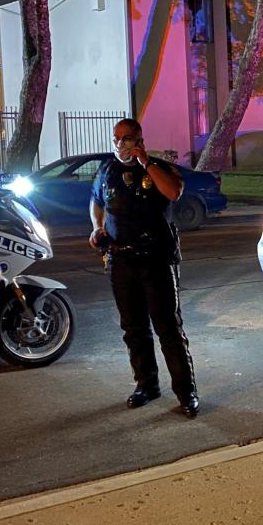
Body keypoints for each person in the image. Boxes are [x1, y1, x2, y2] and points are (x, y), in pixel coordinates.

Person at [89, 118, 200, 418]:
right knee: (133, 328)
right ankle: (146, 385)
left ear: (139, 138)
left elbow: (173, 192)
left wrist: (145, 161)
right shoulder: (106, 170)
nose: (121, 143)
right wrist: (97, 227)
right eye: (117, 138)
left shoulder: (159, 168)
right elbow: (97, 201)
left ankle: (186, 393)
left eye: (127, 138)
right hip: (120, 260)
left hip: (155, 259)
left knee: (167, 328)